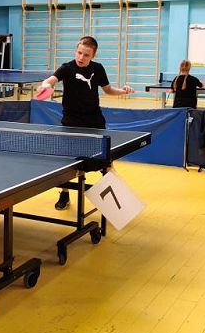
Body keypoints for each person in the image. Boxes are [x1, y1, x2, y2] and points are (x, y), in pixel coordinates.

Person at [35, 36, 134, 210]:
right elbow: (51, 80)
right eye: (79, 53)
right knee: (66, 162)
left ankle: (114, 202)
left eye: (86, 55)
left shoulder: (98, 68)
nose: (81, 57)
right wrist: (45, 85)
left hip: (94, 121)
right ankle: (64, 194)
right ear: (76, 50)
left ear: (93, 56)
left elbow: (108, 90)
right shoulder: (67, 68)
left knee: (106, 162)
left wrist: (123, 91)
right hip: (71, 122)